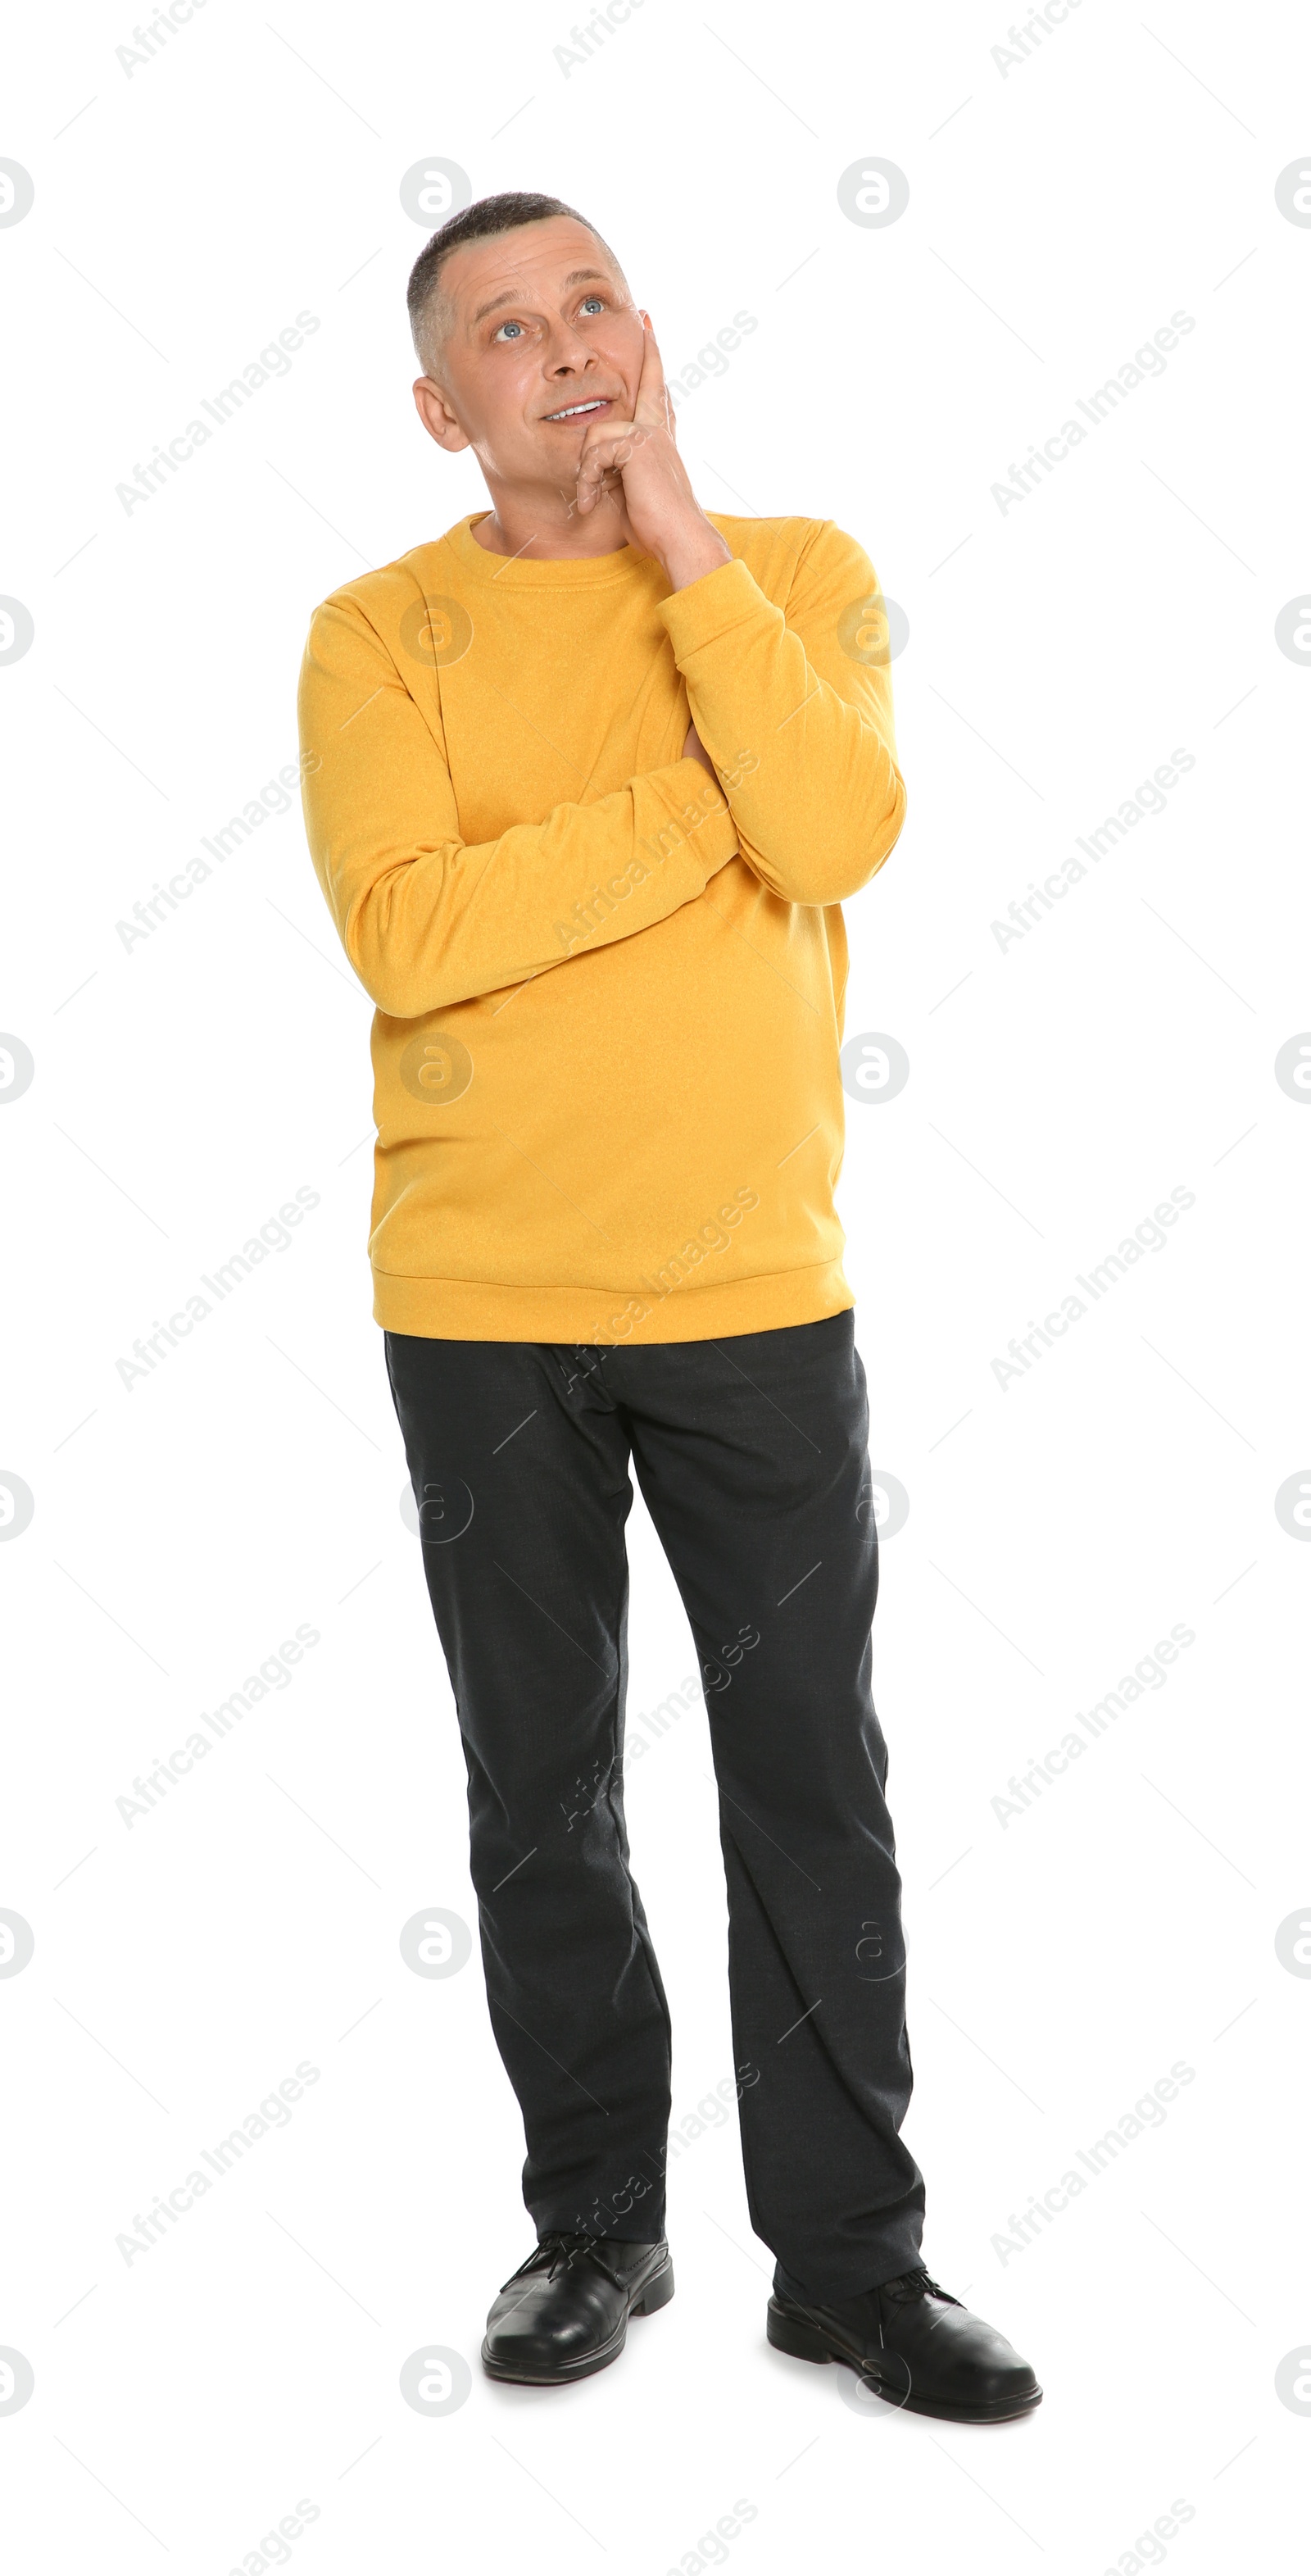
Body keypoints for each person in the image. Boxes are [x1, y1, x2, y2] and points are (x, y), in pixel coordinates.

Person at [297, 190, 1041, 2424]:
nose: (568, 347)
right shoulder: (371, 632)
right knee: (542, 1791)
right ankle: (590, 2228)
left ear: (649, 330)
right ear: (447, 410)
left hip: (749, 1295)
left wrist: (694, 567)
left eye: (593, 299)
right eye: (508, 333)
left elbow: (833, 833)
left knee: (810, 1775)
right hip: (480, 1296)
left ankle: (849, 2265)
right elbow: (412, 937)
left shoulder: (792, 578)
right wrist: (694, 809)